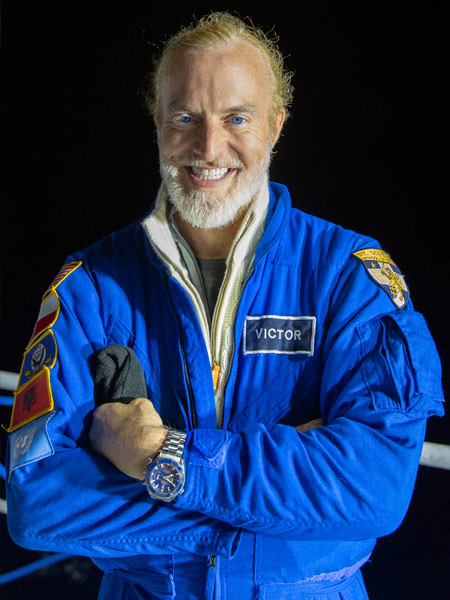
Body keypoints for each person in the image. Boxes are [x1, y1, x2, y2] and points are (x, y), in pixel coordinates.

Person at [6, 12, 444, 600]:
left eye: (237, 118)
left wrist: (159, 454)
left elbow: (374, 488)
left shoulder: (348, 277)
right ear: (158, 123)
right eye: (185, 118)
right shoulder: (90, 285)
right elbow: (37, 502)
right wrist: (277, 512)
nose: (209, 147)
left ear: (276, 126)